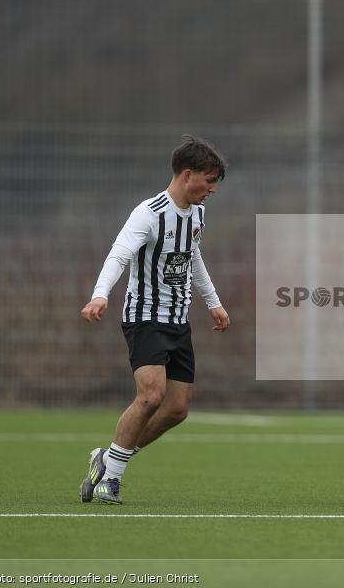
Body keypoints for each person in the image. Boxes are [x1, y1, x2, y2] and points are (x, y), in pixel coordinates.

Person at [78, 135, 230, 505]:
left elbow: (192, 258)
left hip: (178, 321)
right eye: (208, 181)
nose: (212, 190)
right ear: (187, 174)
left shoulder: (198, 214)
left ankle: (109, 457)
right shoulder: (148, 214)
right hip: (144, 317)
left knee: (176, 409)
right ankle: (110, 479)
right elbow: (119, 255)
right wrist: (101, 294)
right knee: (151, 396)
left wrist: (213, 301)